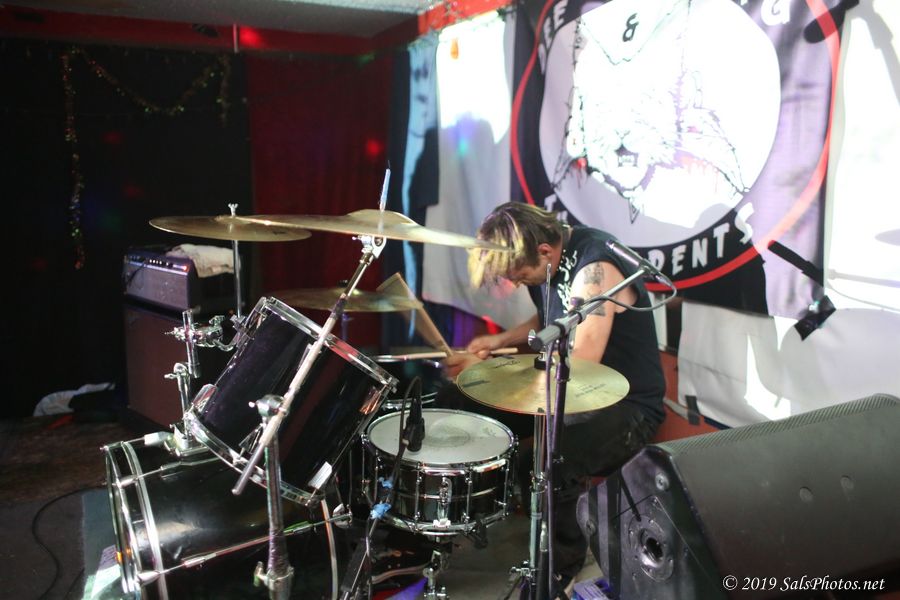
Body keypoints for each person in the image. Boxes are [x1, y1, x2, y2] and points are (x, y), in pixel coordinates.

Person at [444, 201, 666, 593]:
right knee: (467, 401)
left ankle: (560, 569)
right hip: (576, 392)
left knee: (553, 457)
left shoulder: (596, 268)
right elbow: (550, 318)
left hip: (627, 408)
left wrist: (497, 371)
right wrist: (498, 341)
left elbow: (579, 364)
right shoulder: (549, 262)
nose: (520, 284)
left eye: (522, 276)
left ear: (545, 251)